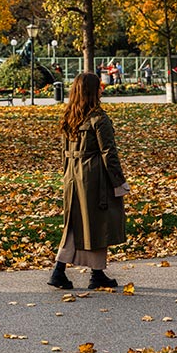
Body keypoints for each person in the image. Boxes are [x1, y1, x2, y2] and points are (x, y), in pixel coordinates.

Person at [48, 72, 130, 291]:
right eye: (99, 87)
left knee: (76, 224)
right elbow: (108, 152)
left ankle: (71, 271)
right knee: (97, 223)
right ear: (93, 91)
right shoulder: (99, 118)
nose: (102, 90)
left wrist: (67, 175)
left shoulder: (69, 116)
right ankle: (92, 274)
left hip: (72, 177)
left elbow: (64, 152)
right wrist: (118, 182)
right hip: (94, 177)